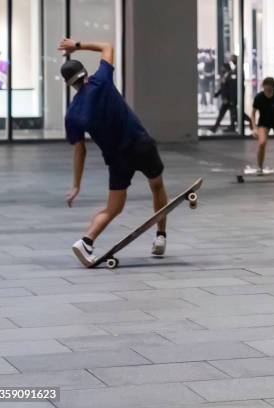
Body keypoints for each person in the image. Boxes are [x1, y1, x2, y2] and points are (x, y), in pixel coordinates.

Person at [58, 38, 169, 267]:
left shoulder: (72, 114)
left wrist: (76, 185)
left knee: (113, 208)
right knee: (156, 185)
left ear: (69, 84)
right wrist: (76, 45)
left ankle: (86, 241)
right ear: (85, 73)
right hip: (140, 144)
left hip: (117, 159)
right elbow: (107, 46)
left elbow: (80, 151)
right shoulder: (101, 81)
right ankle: (160, 236)